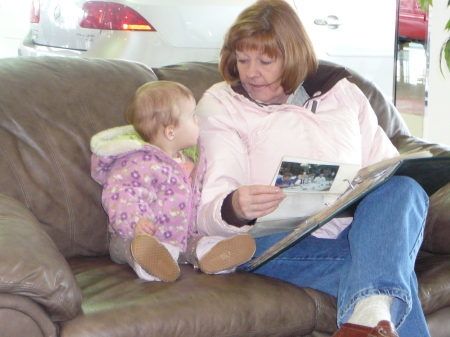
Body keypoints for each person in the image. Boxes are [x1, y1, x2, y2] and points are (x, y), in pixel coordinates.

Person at [195, 1, 429, 336]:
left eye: (265, 60)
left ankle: (366, 315)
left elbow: (385, 170)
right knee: (386, 275)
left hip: (347, 234)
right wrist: (235, 207)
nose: (250, 72)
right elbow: (210, 203)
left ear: (293, 55)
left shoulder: (343, 93)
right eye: (242, 59)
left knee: (405, 189)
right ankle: (371, 311)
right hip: (270, 241)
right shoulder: (221, 104)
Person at [90, 81, 255, 283]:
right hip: (135, 234)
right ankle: (150, 262)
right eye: (193, 116)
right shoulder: (138, 161)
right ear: (170, 132)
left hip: (181, 237)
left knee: (199, 243)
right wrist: (136, 222)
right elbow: (123, 194)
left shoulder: (190, 162)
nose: (199, 121)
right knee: (133, 246)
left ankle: (213, 254)